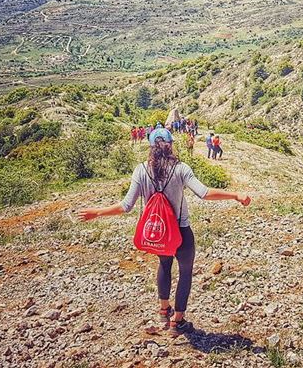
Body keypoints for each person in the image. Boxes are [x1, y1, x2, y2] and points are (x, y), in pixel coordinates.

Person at [77, 128, 251, 335]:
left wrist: (96, 212)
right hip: (181, 231)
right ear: (170, 145)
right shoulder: (181, 168)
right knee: (185, 273)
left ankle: (163, 309)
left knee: (164, 264)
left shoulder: (140, 170)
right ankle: (177, 322)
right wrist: (235, 195)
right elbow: (204, 193)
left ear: (150, 147)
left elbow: (126, 206)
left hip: (159, 232)